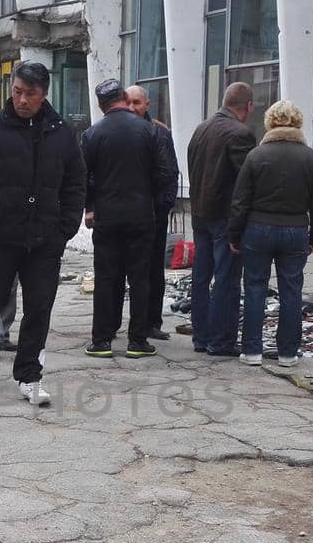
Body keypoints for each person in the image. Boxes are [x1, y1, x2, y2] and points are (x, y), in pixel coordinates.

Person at [0, 60, 86, 406]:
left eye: (30, 94)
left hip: (45, 239)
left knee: (39, 309)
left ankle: (29, 375)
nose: (22, 99)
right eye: (17, 91)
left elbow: (76, 184)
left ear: (44, 94)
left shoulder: (62, 135)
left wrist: (65, 228)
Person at [80, 78, 177, 359]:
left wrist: (90, 207)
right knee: (140, 278)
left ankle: (101, 339)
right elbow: (165, 173)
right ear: (124, 97)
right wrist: (151, 201)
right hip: (141, 217)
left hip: (107, 217)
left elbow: (82, 176)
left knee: (107, 277)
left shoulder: (93, 134)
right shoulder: (150, 132)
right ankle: (138, 340)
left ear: (101, 105)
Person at [228, 99, 313, 368]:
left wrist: (234, 234)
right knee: (292, 292)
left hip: (258, 229)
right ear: (298, 123)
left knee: (255, 288)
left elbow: (240, 201)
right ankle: (287, 353)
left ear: (269, 123)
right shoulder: (310, 157)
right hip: (295, 230)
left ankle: (252, 351)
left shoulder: (256, 155)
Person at [185, 81, 256, 357]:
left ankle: (201, 337)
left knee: (201, 277)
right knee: (226, 279)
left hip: (200, 213)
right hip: (224, 216)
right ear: (248, 106)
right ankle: (220, 340)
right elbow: (247, 181)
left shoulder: (201, 129)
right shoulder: (240, 133)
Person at [125, 85, 179, 341]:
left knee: (152, 268)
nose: (133, 108)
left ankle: (150, 322)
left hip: (153, 213)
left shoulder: (159, 132)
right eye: (128, 103)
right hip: (122, 213)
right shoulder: (116, 130)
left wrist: (162, 207)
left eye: (137, 102)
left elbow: (170, 174)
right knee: (118, 270)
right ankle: (114, 322)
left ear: (147, 104)